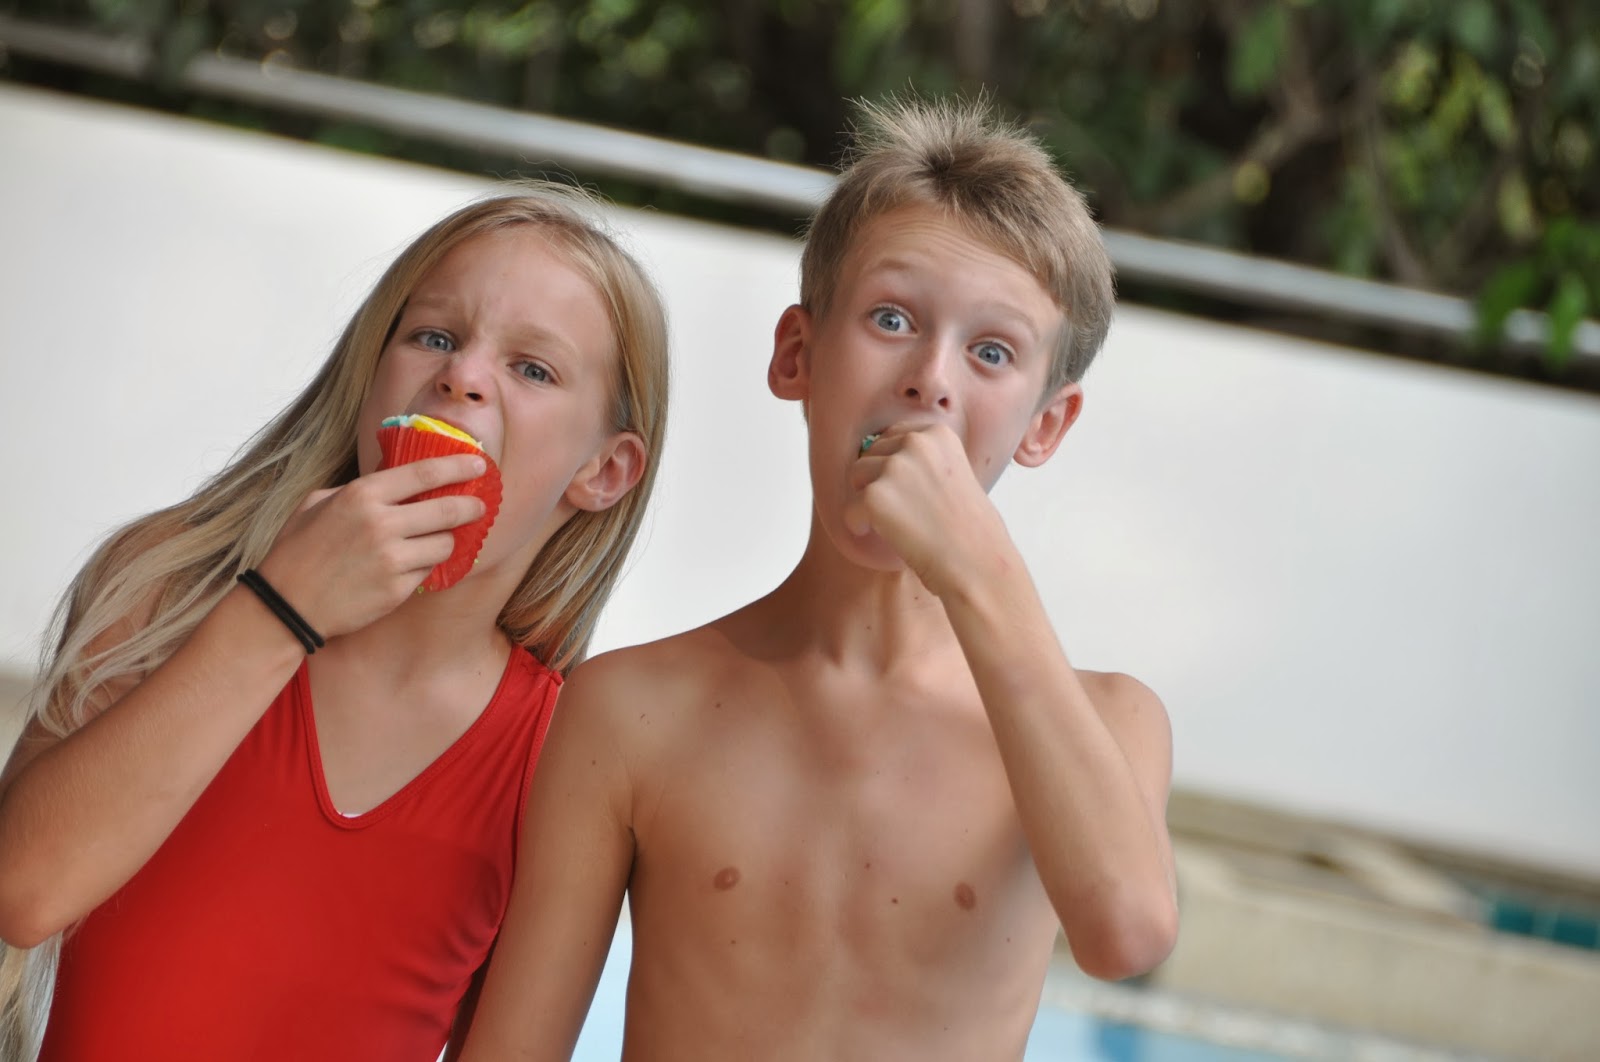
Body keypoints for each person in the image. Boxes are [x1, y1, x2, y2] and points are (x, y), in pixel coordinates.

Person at [460, 96, 1178, 1061]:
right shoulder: (632, 709)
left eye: (992, 352)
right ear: (798, 354)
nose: (931, 378)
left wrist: (979, 569)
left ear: (1045, 425)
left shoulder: (1111, 725)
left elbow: (1126, 934)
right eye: (892, 318)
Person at [0, 188, 670, 1062]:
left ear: (605, 471)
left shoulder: (562, 752)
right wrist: (281, 610)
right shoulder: (170, 585)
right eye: (434, 336)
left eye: (533, 369)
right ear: (371, 374)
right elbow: (24, 890)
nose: (463, 375)